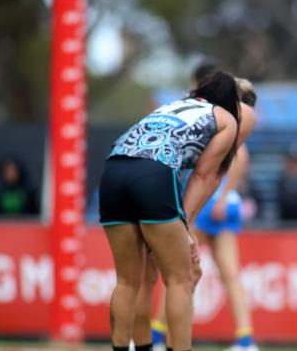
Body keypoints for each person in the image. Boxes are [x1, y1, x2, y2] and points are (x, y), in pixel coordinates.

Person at [100, 70, 241, 351]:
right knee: (181, 278)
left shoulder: (171, 105)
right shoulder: (224, 118)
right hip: (154, 170)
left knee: (127, 280)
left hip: (113, 169)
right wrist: (184, 225)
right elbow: (203, 176)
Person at [192, 77, 258, 351]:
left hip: (212, 205)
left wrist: (218, 198)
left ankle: (158, 336)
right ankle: (246, 339)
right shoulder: (239, 129)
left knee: (181, 273)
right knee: (230, 275)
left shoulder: (227, 124)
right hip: (226, 205)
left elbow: (235, 162)